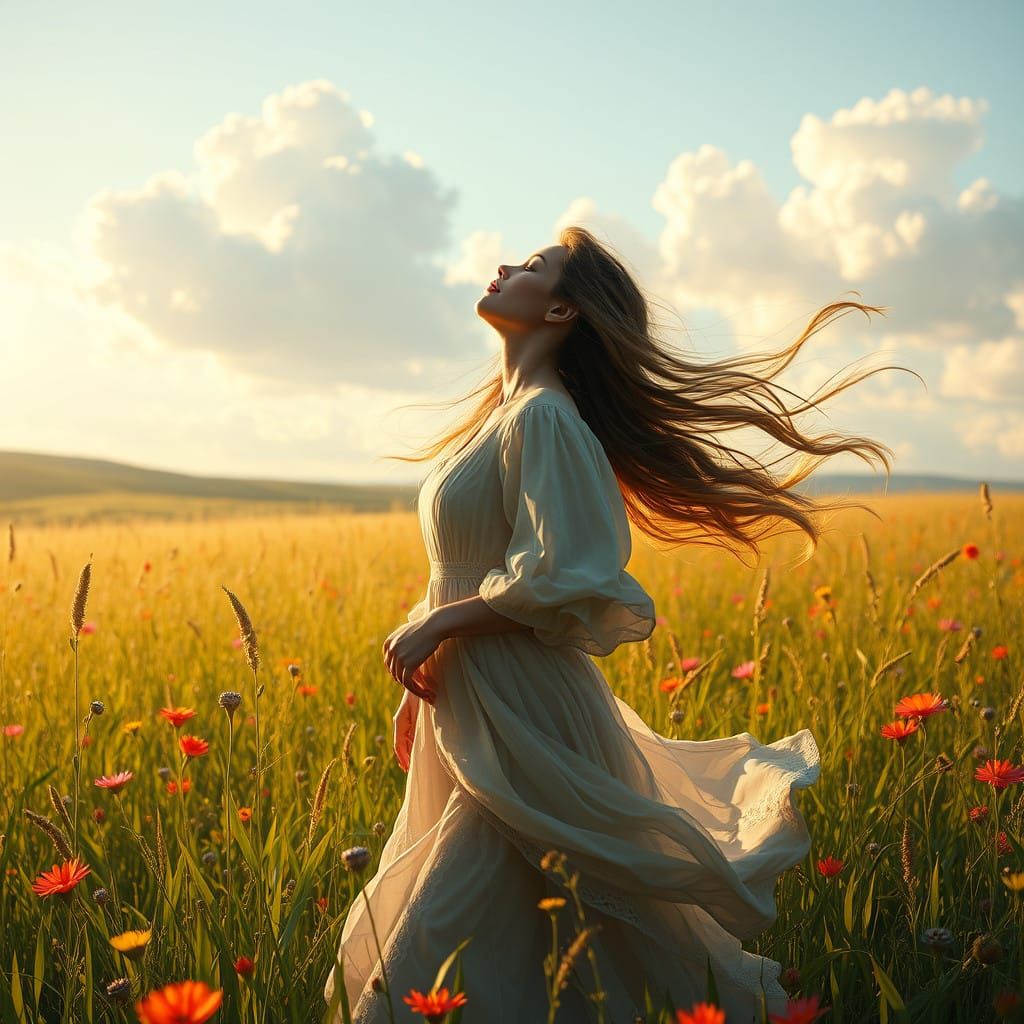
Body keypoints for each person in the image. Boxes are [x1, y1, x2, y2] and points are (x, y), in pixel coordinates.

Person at [325, 226, 906, 1023]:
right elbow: (466, 566)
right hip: (476, 701)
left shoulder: (547, 419)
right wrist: (423, 683)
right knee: (543, 941)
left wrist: (438, 629)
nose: (505, 266)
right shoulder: (504, 418)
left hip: (524, 709)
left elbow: (569, 572)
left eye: (532, 266)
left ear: (562, 308)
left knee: (430, 951)